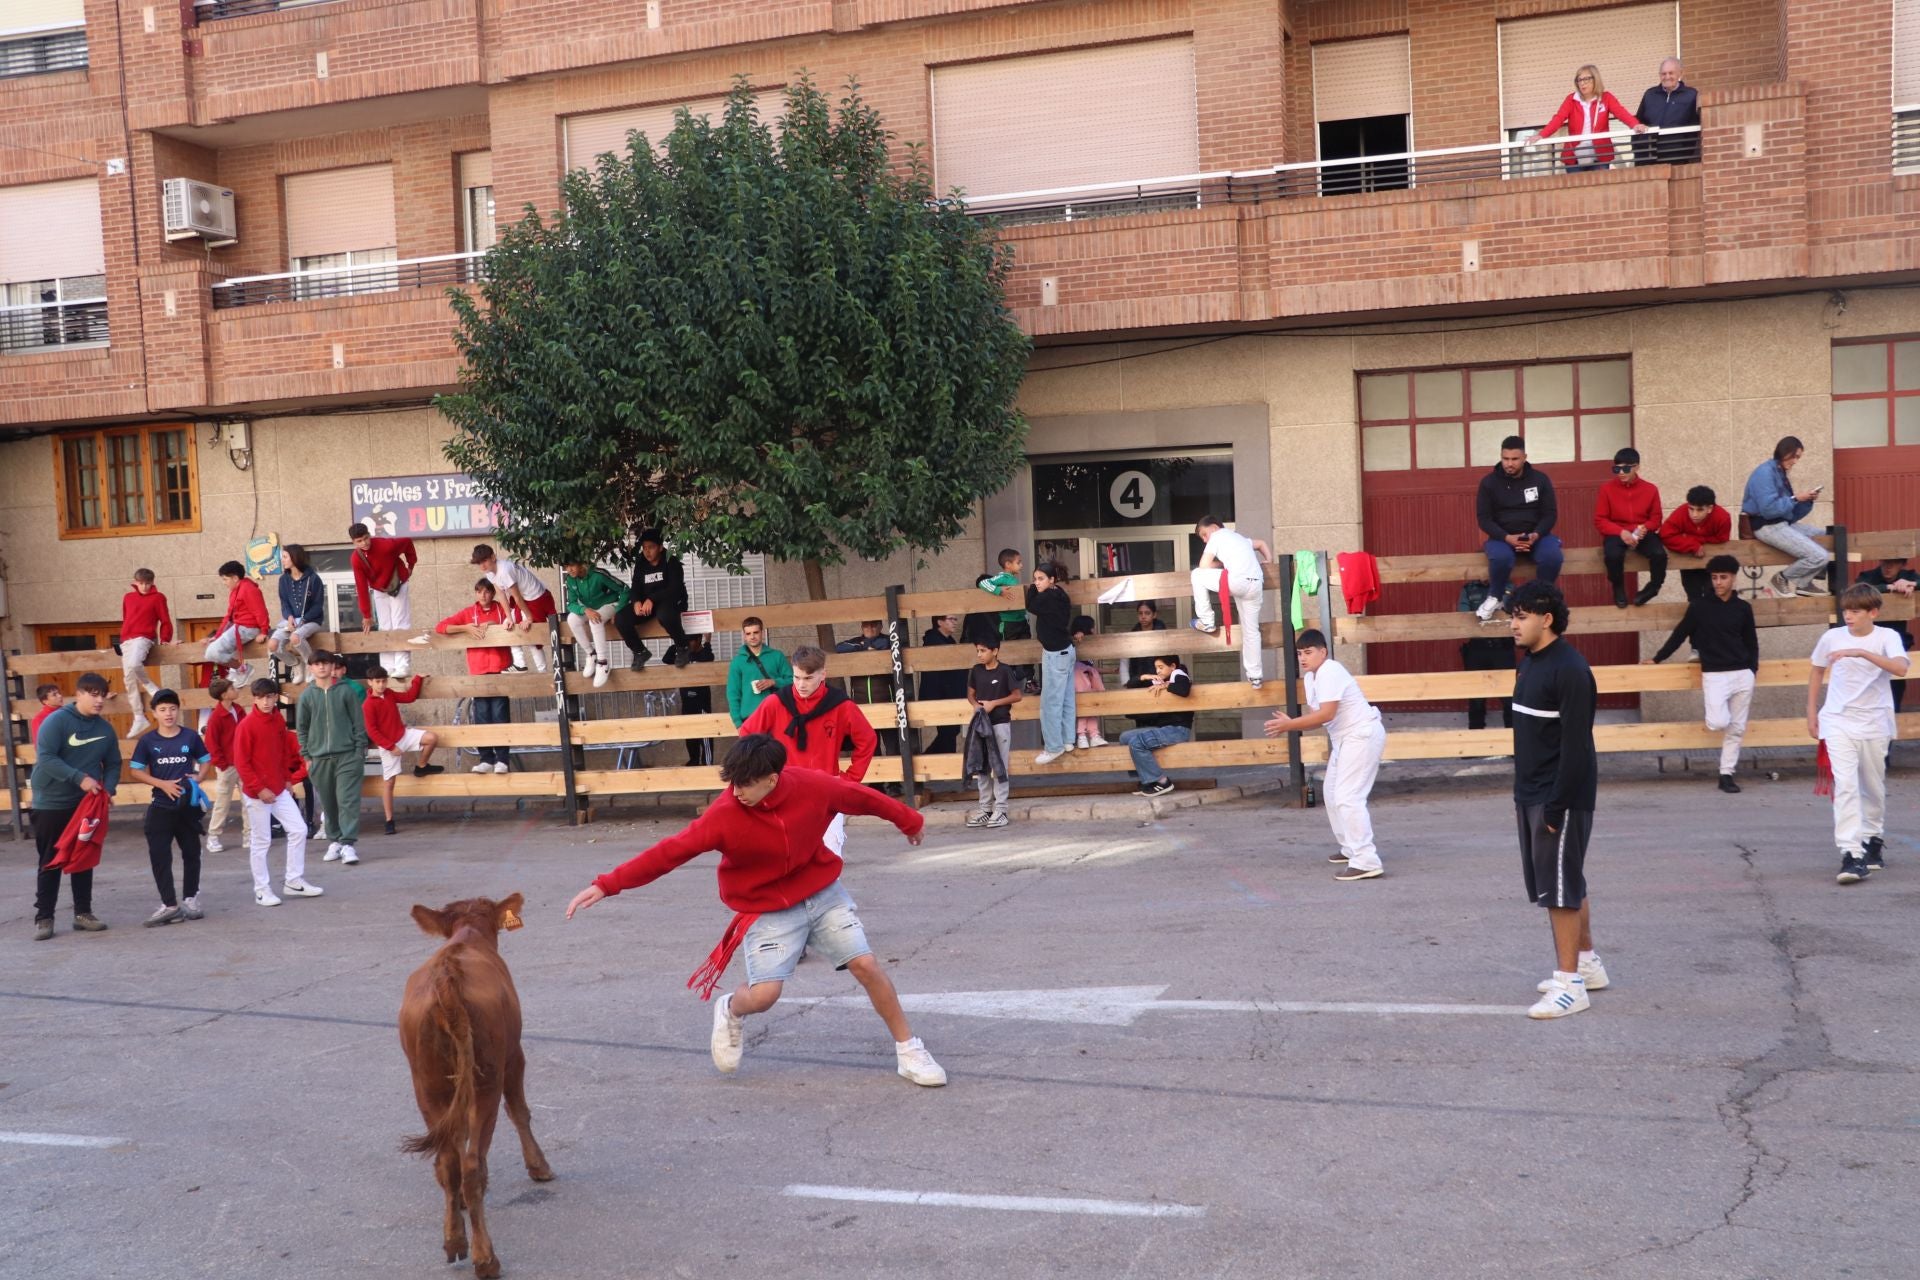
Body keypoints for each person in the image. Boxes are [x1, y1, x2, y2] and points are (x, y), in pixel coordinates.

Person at [564, 734, 946, 1088]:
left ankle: (909, 1049)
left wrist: (909, 821)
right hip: (766, 908)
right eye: (733, 782)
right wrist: (607, 884)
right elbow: (668, 852)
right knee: (764, 996)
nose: (737, 791)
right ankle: (731, 1009)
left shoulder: (813, 787)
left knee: (866, 965)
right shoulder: (725, 814)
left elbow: (865, 798)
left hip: (821, 891)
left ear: (773, 778)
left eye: (747, 783)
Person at [1506, 581, 1604, 1019]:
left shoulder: (1571, 669)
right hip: (1531, 790)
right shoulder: (1530, 664)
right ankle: (1587, 964)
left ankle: (1570, 986)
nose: (1513, 624)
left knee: (1559, 891)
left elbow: (1577, 746)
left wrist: (1556, 805)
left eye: (1522, 616)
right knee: (1568, 879)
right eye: (1512, 616)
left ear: (1547, 619)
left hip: (1557, 795)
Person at [1265, 632, 1388, 881]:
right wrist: (1293, 723)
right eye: (1300, 653)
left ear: (1324, 652)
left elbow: (1326, 715)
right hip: (1344, 739)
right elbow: (1318, 717)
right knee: (1331, 793)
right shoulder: (1311, 678)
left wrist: (1290, 726)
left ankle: (1366, 860)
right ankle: (1350, 848)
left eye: (1308, 652)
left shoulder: (1331, 670)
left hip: (1360, 735)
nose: (1303, 658)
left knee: (1348, 797)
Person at [1809, 583, 1910, 884]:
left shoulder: (1887, 637)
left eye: (1855, 612)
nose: (1848, 617)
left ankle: (1873, 839)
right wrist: (1812, 712)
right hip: (1838, 720)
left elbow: (1901, 668)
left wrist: (1861, 653)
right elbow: (1816, 671)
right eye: (1845, 611)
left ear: (1873, 612)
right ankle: (1851, 854)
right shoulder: (1831, 637)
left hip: (1875, 722)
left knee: (1872, 785)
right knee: (1846, 786)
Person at [739, 646, 878, 859]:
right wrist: (764, 775)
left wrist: (850, 779)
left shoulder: (841, 705)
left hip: (827, 791)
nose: (801, 684)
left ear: (823, 674)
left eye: (808, 678)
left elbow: (867, 740)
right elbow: (747, 736)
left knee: (830, 857)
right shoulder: (775, 702)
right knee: (788, 860)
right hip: (785, 792)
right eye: (796, 677)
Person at [1646, 555, 1759, 793]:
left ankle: (1726, 774)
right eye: (1715, 577)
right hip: (1715, 674)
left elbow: (1751, 641)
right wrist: (1657, 657)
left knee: (1737, 729)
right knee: (1719, 722)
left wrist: (1752, 669)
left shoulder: (1743, 608)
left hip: (1742, 674)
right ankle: (1726, 768)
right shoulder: (1699, 606)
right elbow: (1680, 633)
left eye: (1723, 577)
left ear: (1733, 578)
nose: (1718, 582)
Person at [28, 672, 119, 941]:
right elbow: (45, 758)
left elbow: (113, 763)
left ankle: (83, 914)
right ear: (78, 694)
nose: (99, 700)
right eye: (93, 694)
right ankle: (44, 917)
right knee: (50, 860)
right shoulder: (57, 721)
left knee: (82, 857)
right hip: (51, 803)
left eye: (102, 694)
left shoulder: (104, 729)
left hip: (85, 806)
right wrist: (79, 778)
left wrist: (108, 789)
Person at [127, 689, 213, 926]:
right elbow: (135, 770)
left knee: (191, 853)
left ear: (178, 710)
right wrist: (161, 784)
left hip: (187, 808)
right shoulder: (148, 741)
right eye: (163, 709)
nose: (168, 714)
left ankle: (191, 899)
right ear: (154, 713)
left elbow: (206, 760)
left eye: (173, 709)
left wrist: (198, 779)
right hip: (161, 806)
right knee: (160, 856)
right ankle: (169, 904)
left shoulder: (190, 737)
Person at [235, 678, 323, 907]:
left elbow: (282, 752)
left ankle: (293, 881)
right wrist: (259, 789)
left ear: (276, 697)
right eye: (261, 697)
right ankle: (261, 890)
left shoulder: (277, 721)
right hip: (257, 794)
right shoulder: (246, 726)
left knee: (299, 829)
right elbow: (242, 763)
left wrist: (286, 778)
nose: (266, 701)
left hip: (278, 787)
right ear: (254, 698)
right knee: (261, 841)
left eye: (270, 697)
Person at [1474, 438, 1565, 620]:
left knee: (1552, 557)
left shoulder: (1540, 479)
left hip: (1536, 536)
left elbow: (1550, 514)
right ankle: (1495, 597)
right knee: (1501, 558)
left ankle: (1540, 599)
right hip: (1502, 538)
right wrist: (1507, 537)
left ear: (1524, 457)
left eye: (1514, 459)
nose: (1509, 464)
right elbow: (1484, 519)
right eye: (1505, 458)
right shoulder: (1488, 483)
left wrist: (1535, 535)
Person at [296, 650, 368, 867]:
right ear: (310, 668)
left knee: (348, 800)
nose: (321, 667)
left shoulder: (346, 692)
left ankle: (348, 843)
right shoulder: (307, 696)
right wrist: (307, 757)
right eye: (316, 664)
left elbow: (358, 724)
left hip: (347, 756)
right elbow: (302, 728)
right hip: (319, 759)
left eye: (325, 663)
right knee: (329, 803)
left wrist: (358, 753)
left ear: (332, 666)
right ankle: (335, 841)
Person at [437, 578, 515, 775]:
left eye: (487, 591)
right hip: (478, 672)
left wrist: (493, 625)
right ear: (475, 593)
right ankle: (486, 759)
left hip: (499, 669)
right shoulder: (468, 613)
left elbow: (516, 612)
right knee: (481, 716)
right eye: (479, 591)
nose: (483, 595)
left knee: (499, 715)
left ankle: (502, 760)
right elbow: (441, 627)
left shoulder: (502, 609)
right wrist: (467, 627)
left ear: (493, 593)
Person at [1741, 436, 1830, 598]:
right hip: (1765, 526)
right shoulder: (1765, 472)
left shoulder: (1778, 472)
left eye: (1798, 458)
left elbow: (1790, 515)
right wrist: (1796, 498)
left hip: (1780, 524)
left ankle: (1804, 583)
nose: (1796, 461)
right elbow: (1768, 509)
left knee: (1826, 537)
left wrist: (1806, 501)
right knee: (1819, 555)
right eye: (1795, 456)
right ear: (1785, 452)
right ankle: (1781, 578)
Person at [1189, 516, 1272, 688]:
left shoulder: (1217, 536)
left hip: (1238, 582)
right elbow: (1262, 544)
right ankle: (1255, 677)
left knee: (1196, 574)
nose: (1205, 540)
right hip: (1256, 584)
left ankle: (1206, 620)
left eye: (1204, 535)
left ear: (1213, 527)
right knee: (1251, 632)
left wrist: (1220, 563)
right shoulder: (1240, 538)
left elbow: (1203, 565)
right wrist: (1268, 560)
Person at [364, 666, 442, 835]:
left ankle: (421, 766)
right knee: (389, 782)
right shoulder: (368, 705)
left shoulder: (390, 693)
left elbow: (409, 697)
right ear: (370, 683)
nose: (381, 685)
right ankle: (389, 820)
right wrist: (391, 747)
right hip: (388, 744)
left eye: (384, 681)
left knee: (432, 738)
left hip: (403, 734)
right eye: (377, 682)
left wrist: (417, 679)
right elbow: (372, 731)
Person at [1531, 64, 1649, 173]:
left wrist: (1635, 125)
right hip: (1575, 156)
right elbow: (1558, 119)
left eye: (1586, 79)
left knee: (1599, 191)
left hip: (1600, 155)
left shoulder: (1606, 98)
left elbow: (1621, 113)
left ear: (1595, 79)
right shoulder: (1571, 100)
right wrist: (1541, 135)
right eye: (1579, 80)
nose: (1582, 83)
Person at [1594, 447, 1667, 608]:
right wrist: (1621, 532)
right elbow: (1600, 520)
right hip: (1616, 532)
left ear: (1636, 467)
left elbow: (1656, 518)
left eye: (1625, 468)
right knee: (1612, 555)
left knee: (1659, 554)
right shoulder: (1606, 489)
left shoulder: (1650, 489)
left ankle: (1653, 587)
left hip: (1643, 532)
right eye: (1616, 468)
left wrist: (1644, 528)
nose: (1621, 472)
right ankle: (1618, 587)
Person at [964, 634, 1021, 828]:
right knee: (982, 766)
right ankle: (985, 809)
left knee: (1000, 766)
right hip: (981, 723)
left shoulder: (1004, 671)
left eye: (983, 651)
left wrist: (994, 703)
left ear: (995, 651)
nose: (979, 655)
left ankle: (1001, 809)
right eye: (977, 651)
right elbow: (971, 694)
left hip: (1000, 723)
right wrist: (976, 706)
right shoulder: (976, 670)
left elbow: (1017, 695)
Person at [1119, 656, 1195, 801]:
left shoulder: (1179, 674)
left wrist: (1167, 686)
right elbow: (1130, 684)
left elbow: (1184, 689)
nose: (1157, 671)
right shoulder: (1162, 678)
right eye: (1156, 668)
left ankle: (1161, 781)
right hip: (1163, 728)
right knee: (1125, 737)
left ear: (1172, 666)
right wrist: (1145, 676)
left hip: (1177, 729)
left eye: (1161, 667)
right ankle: (1146, 779)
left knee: (1136, 743)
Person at [472, 543, 556, 673]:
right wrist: (509, 617)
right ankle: (520, 664)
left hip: (536, 597)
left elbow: (516, 597)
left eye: (484, 560)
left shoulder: (505, 570)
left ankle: (542, 671)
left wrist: (529, 618)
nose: (482, 565)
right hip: (523, 599)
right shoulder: (490, 573)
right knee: (508, 625)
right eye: (479, 563)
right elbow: (501, 594)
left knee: (533, 636)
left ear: (493, 557)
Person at [615, 528, 691, 670]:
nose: (647, 551)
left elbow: (675, 589)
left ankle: (682, 647)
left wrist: (652, 599)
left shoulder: (671, 561)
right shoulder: (641, 562)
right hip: (648, 605)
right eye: (644, 548)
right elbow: (636, 585)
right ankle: (640, 652)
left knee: (665, 616)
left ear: (660, 547)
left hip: (671, 601)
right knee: (621, 618)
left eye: (651, 547)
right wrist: (636, 601)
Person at [350, 522, 418, 678]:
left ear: (370, 535)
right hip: (379, 588)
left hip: (398, 583)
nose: (364, 543)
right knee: (385, 626)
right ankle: (387, 668)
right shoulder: (356, 559)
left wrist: (411, 565)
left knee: (400, 623)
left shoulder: (386, 545)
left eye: (366, 538)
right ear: (353, 542)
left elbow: (407, 541)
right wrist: (366, 615)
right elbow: (361, 587)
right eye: (359, 541)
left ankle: (403, 666)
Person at [1027, 561, 1078, 764]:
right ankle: (1067, 740)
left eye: (1040, 579)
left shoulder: (1048, 597)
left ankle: (1053, 747)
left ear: (1052, 580)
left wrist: (1030, 588)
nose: (1036, 583)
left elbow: (1030, 605)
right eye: (1035, 579)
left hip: (1057, 654)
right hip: (1064, 651)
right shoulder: (1059, 593)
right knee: (1065, 699)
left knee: (1050, 702)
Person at [1855, 556, 1917, 713]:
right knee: (1870, 683)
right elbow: (1859, 588)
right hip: (1871, 642)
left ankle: (1893, 719)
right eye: (1885, 563)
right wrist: (1891, 587)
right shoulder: (1868, 576)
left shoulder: (1909, 576)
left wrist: (1911, 584)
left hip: (1897, 642)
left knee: (1896, 684)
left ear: (1902, 564)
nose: (1888, 567)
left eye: (1894, 563)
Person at [119, 567, 172, 738]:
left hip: (144, 638)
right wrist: (123, 638)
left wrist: (165, 639)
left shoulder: (158, 598)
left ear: (152, 583)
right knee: (128, 680)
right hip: (126, 640)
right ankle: (139, 717)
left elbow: (165, 620)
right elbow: (126, 618)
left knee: (135, 664)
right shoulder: (128, 597)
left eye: (148, 583)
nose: (144, 587)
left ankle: (151, 687)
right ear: (135, 582)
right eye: (141, 583)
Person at [835, 620, 899, 760]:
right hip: (862, 705)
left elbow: (886, 644)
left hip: (886, 703)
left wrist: (864, 646)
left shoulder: (887, 640)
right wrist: (863, 647)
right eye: (866, 625)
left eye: (874, 625)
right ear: (861, 627)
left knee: (892, 745)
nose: (870, 628)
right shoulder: (856, 642)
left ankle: (895, 781)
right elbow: (840, 647)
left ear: (881, 627)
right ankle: (877, 782)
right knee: (871, 745)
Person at [1657, 485, 1734, 601]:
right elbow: (1665, 534)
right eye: (1691, 509)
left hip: (1713, 562)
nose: (1694, 514)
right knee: (1693, 595)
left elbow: (1722, 539)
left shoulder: (1722, 517)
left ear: (1710, 508)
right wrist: (1692, 545)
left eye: (1700, 510)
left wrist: (1694, 539)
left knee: (1713, 595)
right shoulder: (1682, 512)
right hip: (1688, 561)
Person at [1458, 582, 1515, 731]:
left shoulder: (1507, 586)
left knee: (1509, 697)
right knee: (1476, 697)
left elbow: (1511, 609)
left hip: (1502, 648)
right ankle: (1476, 739)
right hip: (1478, 648)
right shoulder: (1468, 589)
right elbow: (1463, 616)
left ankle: (1512, 742)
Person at [202, 677, 250, 853]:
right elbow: (211, 744)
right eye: (232, 688)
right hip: (227, 766)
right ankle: (213, 836)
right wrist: (222, 764)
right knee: (223, 802)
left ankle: (249, 835)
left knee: (249, 801)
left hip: (243, 763)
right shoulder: (216, 717)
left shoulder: (239, 710)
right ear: (224, 695)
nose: (235, 689)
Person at [563, 561, 629, 689]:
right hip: (591, 609)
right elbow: (570, 604)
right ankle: (591, 654)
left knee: (595, 621)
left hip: (610, 605)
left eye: (572, 565)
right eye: (566, 567)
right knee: (572, 619)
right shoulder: (570, 580)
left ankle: (603, 663)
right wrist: (585, 610)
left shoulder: (598, 575)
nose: (569, 570)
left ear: (580, 563)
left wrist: (619, 610)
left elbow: (625, 589)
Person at [266, 544, 324, 685]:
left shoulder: (314, 579)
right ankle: (295, 664)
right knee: (272, 645)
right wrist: (290, 617)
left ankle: (311, 666)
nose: (283, 560)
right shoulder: (283, 580)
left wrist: (303, 620)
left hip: (311, 620)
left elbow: (318, 605)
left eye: (285, 557)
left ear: (295, 557)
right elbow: (284, 604)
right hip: (291, 621)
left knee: (295, 638)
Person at [979, 549, 1033, 692]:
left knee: (1027, 649)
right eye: (1018, 562)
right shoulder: (1002, 577)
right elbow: (983, 583)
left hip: (1021, 621)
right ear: (1008, 564)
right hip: (1009, 623)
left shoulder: (1013, 579)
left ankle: (1029, 680)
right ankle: (1011, 681)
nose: (1021, 565)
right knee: (1010, 652)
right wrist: (999, 591)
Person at [205, 560, 269, 679]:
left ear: (235, 578)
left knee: (212, 653)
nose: (224, 583)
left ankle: (242, 669)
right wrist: (217, 635)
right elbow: (229, 616)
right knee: (211, 652)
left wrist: (264, 631)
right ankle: (239, 669)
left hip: (247, 629)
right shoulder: (236, 591)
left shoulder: (248, 589)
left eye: (225, 579)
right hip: (239, 628)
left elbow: (260, 611)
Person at [726, 616, 792, 728]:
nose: (752, 637)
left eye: (756, 632)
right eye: (748, 633)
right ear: (744, 636)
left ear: (762, 633)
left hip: (777, 716)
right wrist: (738, 724)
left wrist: (774, 682)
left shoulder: (777, 656)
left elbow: (793, 682)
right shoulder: (737, 662)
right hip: (750, 719)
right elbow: (733, 694)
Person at [1633, 58, 1701, 165]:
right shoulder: (1650, 94)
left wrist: (1688, 153)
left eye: (1671, 73)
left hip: (1677, 157)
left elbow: (1696, 125)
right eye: (1663, 74)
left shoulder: (1691, 95)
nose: (1667, 77)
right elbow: (1637, 122)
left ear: (1680, 73)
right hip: (1649, 157)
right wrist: (1638, 150)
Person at [917, 614, 966, 755]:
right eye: (951, 619)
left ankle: (929, 759)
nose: (955, 622)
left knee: (950, 731)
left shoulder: (948, 640)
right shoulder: (933, 641)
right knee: (948, 732)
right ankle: (940, 764)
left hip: (950, 695)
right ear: (939, 622)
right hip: (941, 695)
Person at [1069, 616, 1109, 749]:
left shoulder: (1090, 647)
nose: (1095, 630)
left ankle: (1094, 735)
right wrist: (1076, 636)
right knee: (1085, 705)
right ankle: (1081, 736)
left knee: (1091, 705)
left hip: (1087, 675)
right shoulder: (1077, 641)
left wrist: (1111, 670)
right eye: (1093, 627)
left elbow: (1091, 667)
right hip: (1078, 675)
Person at [679, 633, 717, 766]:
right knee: (689, 733)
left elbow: (708, 657)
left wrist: (707, 642)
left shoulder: (704, 655)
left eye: (691, 641)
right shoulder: (684, 654)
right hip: (686, 702)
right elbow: (667, 658)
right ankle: (693, 760)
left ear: (699, 640)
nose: (689, 644)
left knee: (705, 734)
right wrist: (677, 642)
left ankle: (707, 763)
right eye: (687, 641)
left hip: (701, 702)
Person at [1118, 600, 1168, 687]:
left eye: (1147, 613)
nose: (1143, 616)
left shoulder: (1163, 634)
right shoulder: (1132, 635)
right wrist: (1126, 681)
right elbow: (1124, 659)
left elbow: (1170, 659)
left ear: (1154, 614)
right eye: (1140, 613)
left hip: (1160, 682)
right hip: (1137, 681)